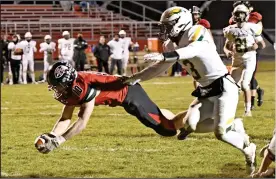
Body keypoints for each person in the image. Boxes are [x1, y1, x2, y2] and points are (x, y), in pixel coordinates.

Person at [125, 6, 256, 175]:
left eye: (169, 25)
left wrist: (165, 56)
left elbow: (193, 50)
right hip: (205, 90)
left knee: (221, 132)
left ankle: (247, 149)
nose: (166, 29)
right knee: (189, 124)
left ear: (180, 23)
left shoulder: (196, 31)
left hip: (223, 86)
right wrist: (135, 78)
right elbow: (158, 68)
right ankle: (235, 125)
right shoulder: (171, 44)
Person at [34, 61, 177, 154]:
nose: (56, 89)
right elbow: (65, 118)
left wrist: (59, 141)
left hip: (129, 92)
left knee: (166, 129)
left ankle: (186, 122)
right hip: (121, 97)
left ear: (68, 82)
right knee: (159, 120)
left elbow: (82, 122)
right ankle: (181, 121)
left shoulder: (83, 87)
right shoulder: (73, 88)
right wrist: (52, 135)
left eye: (58, 86)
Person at [223, 4, 266, 117]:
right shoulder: (231, 30)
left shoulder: (251, 27)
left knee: (244, 84)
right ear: (234, 15)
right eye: (238, 14)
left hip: (249, 58)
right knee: (231, 86)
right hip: (236, 60)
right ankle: (228, 109)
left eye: (242, 14)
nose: (240, 16)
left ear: (246, 15)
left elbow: (262, 44)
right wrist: (227, 51)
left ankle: (248, 110)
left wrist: (256, 46)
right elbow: (227, 45)